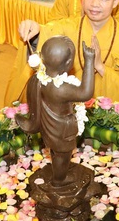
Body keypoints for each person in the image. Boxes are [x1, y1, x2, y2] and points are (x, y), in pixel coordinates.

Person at [17, 0, 119, 108]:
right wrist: (35, 32)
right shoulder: (69, 26)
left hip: (105, 117)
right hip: (67, 110)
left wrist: (100, 67)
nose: (95, 4)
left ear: (115, 2)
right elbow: (48, 32)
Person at [16, 36, 95, 186]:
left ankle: (58, 171)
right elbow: (86, 93)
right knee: (63, 156)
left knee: (56, 152)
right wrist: (89, 61)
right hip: (61, 131)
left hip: (50, 127)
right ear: (68, 63)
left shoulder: (38, 79)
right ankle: (59, 180)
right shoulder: (61, 88)